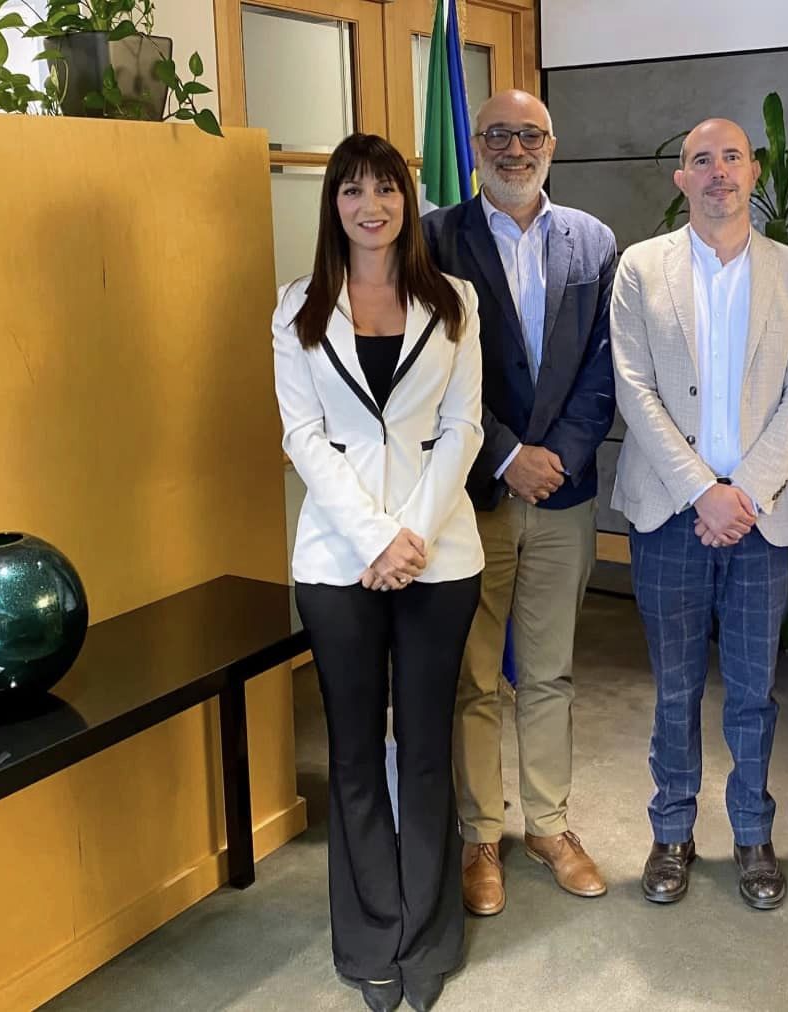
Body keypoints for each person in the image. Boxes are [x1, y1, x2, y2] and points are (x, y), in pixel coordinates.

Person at [272, 132, 483, 1012]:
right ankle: (369, 936)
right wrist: (373, 539)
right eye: (354, 190)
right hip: (337, 559)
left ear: (407, 199)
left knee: (427, 748)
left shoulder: (455, 299)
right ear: (335, 204)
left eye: (387, 188)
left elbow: (465, 426)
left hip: (439, 556)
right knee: (354, 750)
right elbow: (301, 435)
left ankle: (427, 935)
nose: (372, 206)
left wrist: (412, 537)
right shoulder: (297, 307)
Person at [611, 118, 788, 910]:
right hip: (671, 512)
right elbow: (634, 388)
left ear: (753, 170)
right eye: (701, 160)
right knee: (674, 690)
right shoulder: (641, 268)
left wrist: (745, 492)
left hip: (760, 520)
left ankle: (752, 834)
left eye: (732, 157)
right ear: (682, 179)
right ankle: (671, 832)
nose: (718, 172)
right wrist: (704, 490)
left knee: (752, 692)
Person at [421, 89, 617, 915]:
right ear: (475, 145)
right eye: (497, 134)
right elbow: (430, 366)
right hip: (474, 493)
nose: (514, 148)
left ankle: (549, 825)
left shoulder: (594, 241)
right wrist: (506, 455)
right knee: (473, 676)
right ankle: (480, 835)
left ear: (552, 144)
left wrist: (557, 456)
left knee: (549, 671)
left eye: (530, 134)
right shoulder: (433, 238)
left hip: (564, 493)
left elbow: (607, 364)